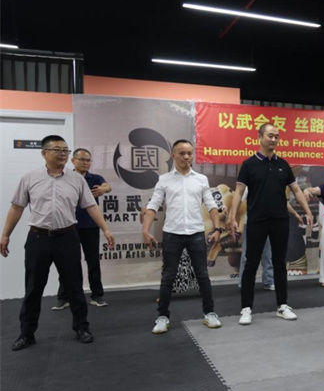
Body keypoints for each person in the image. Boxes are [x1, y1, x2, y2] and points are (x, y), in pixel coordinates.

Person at [1, 135, 115, 351]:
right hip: (38, 238)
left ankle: (82, 327)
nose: (62, 153)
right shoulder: (29, 178)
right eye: (57, 149)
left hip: (67, 238)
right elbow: (17, 206)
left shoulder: (77, 180)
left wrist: (106, 229)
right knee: (33, 288)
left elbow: (91, 206)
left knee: (75, 286)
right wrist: (5, 234)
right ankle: (26, 333)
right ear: (44, 153)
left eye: (65, 150)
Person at [229, 124, 313, 325]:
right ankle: (246, 308)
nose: (274, 139)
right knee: (251, 264)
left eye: (276, 136)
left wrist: (308, 211)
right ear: (260, 137)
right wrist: (232, 217)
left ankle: (282, 305)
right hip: (257, 221)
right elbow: (238, 192)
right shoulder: (249, 164)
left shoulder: (283, 164)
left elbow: (296, 190)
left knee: (279, 264)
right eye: (270, 136)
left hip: (280, 221)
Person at [142, 140, 223, 334]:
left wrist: (218, 229)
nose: (186, 157)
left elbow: (211, 205)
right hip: (172, 233)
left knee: (202, 275)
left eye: (189, 153)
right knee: (168, 276)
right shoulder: (164, 180)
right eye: (182, 153)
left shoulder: (201, 179)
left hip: (196, 233)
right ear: (173, 155)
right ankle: (162, 317)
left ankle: (210, 313)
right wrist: (145, 230)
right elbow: (153, 205)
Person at [52, 148, 112, 310]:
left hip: (90, 226)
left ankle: (97, 295)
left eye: (88, 160)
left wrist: (104, 189)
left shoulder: (95, 178)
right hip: (68, 226)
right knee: (68, 262)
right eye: (82, 160)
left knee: (93, 261)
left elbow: (107, 186)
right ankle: (64, 297)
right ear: (73, 161)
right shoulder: (66, 177)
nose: (85, 163)